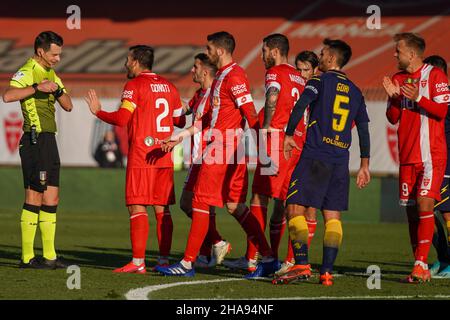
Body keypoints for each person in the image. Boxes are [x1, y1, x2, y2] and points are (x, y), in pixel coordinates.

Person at [158, 31, 278, 278]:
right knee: (234, 205)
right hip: (227, 145)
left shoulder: (234, 75)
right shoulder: (222, 76)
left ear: (220, 51)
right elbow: (208, 119)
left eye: (209, 48)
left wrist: (266, 146)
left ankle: (188, 263)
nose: (207, 52)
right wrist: (180, 136)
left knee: (199, 202)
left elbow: (250, 112)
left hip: (223, 146)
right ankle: (268, 258)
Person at [273, 38, 371, 286]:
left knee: (293, 207)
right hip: (340, 160)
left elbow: (301, 104)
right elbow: (363, 130)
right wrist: (365, 165)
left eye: (323, 52)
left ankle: (302, 264)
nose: (320, 55)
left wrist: (287, 135)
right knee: (333, 216)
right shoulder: (356, 90)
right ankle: (326, 272)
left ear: (331, 58)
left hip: (316, 154)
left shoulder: (319, 80)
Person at [85, 45, 186, 273]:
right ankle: (162, 261)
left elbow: (122, 119)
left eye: (127, 60)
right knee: (162, 210)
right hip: (164, 156)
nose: (125, 64)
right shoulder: (170, 87)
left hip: (142, 156)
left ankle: (138, 262)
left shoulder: (134, 85)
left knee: (136, 206)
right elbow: (179, 121)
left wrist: (98, 111)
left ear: (136, 62)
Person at [223, 34, 308, 274]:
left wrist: (268, 126)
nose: (261, 57)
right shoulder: (299, 78)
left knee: (259, 198)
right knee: (287, 203)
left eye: (263, 52)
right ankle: (291, 261)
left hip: (277, 141)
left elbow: (272, 96)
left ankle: (256, 259)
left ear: (274, 51)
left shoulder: (276, 72)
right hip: (296, 143)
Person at [2, 31, 73, 269]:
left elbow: (69, 106)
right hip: (33, 141)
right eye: (54, 54)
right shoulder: (27, 71)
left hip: (49, 141)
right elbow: (8, 96)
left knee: (52, 197)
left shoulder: (52, 73)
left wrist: (57, 90)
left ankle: (50, 257)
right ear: (41, 51)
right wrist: (36, 87)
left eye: (59, 54)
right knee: (34, 196)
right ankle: (27, 258)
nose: (57, 59)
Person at [383, 33, 449, 283]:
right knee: (411, 212)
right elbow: (393, 117)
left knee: (424, 204)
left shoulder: (435, 75)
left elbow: (442, 111)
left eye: (397, 51)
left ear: (411, 54)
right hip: (408, 156)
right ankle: (418, 263)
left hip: (431, 154)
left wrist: (418, 98)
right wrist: (395, 98)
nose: (394, 54)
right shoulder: (399, 78)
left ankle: (421, 265)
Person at [180, 53, 230, 268]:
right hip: (198, 156)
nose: (192, 70)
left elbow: (204, 125)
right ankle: (204, 252)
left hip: (206, 155)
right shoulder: (201, 93)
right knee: (203, 208)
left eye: (195, 67)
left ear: (205, 71)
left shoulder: (215, 95)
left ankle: (216, 243)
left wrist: (180, 136)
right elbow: (187, 109)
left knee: (188, 203)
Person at [420, 55, 450, 278]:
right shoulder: (431, 101)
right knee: (425, 211)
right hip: (429, 162)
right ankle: (443, 259)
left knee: (447, 214)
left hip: (446, 164)